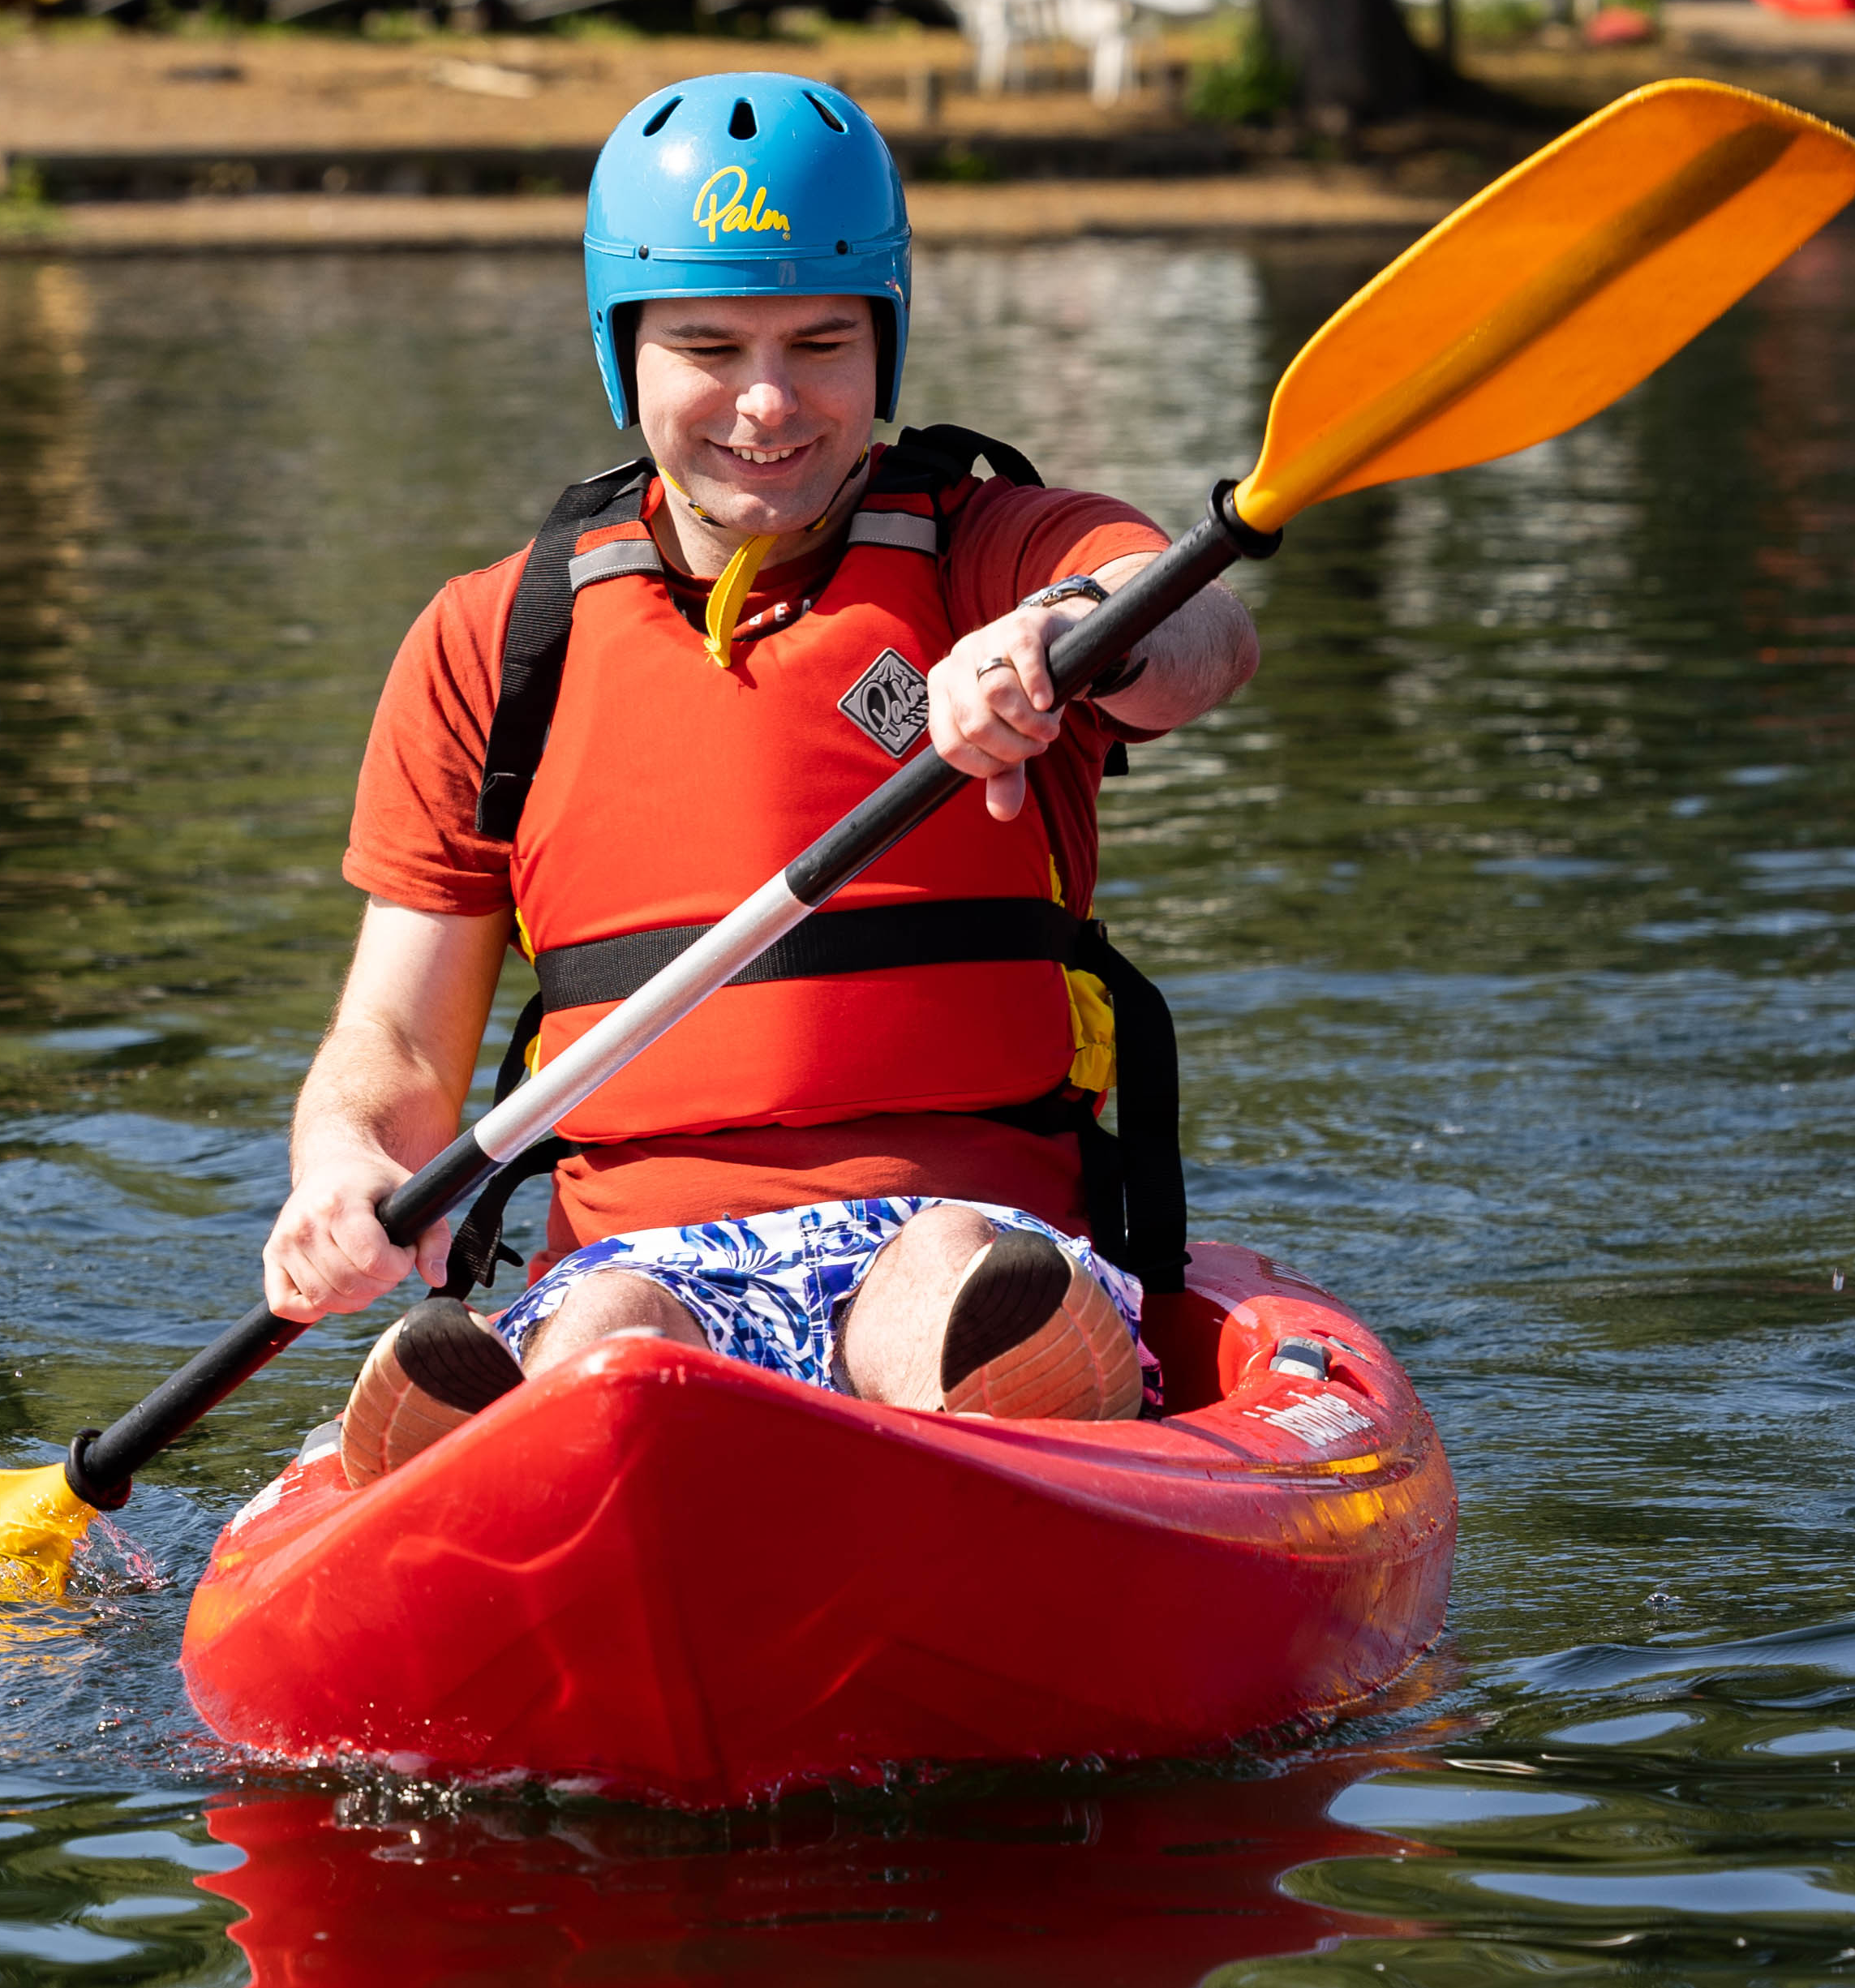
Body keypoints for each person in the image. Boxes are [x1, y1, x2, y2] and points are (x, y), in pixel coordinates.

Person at [268, 71, 1261, 1481]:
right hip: (640, 1250)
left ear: (886, 345)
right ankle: (519, 1465)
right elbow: (403, 1046)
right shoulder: (494, 641)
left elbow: (1203, 627)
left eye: (820, 341)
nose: (769, 399)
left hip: (963, 1223)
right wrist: (346, 1164)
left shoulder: (991, 547)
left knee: (940, 1290)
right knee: (607, 1335)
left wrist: (1057, 639)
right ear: (626, 353)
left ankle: (1009, 1423)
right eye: (708, 344)